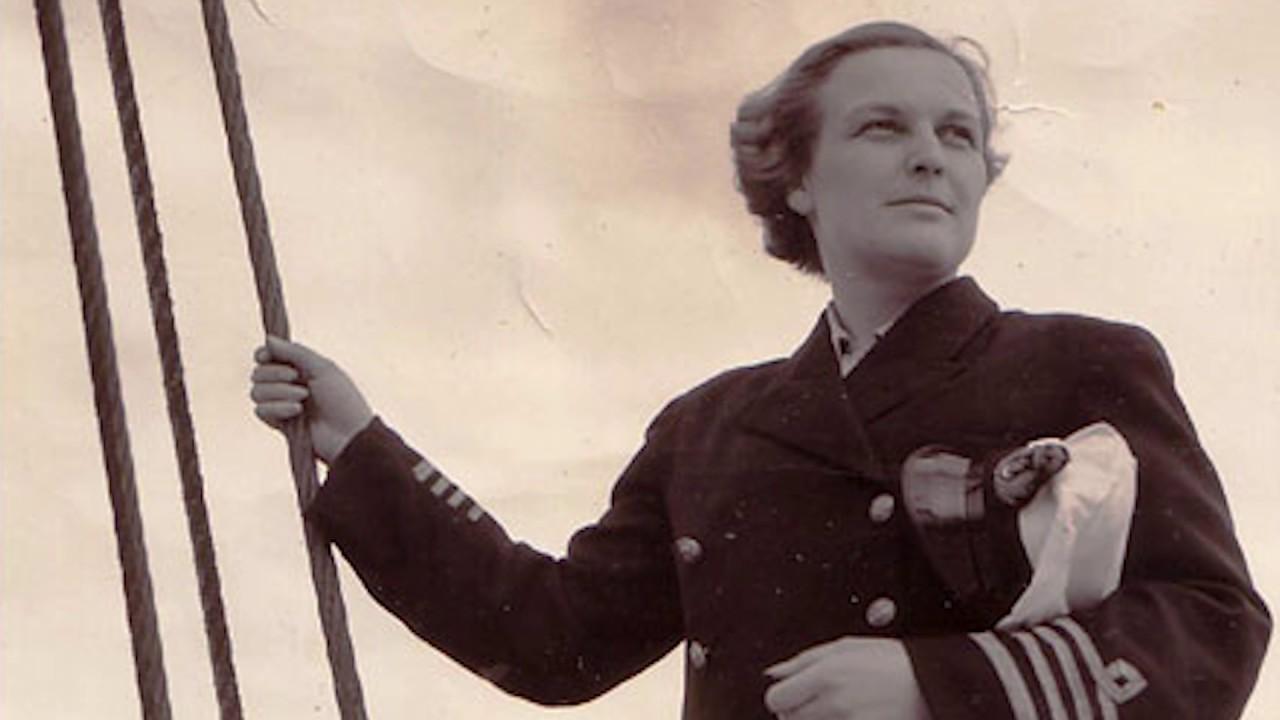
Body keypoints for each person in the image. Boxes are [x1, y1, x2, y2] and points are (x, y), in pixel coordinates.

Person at [250, 21, 1269, 720]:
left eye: (957, 134)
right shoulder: (708, 428)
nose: (930, 155)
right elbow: (555, 640)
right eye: (883, 126)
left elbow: (1211, 624)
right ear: (797, 176)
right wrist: (361, 447)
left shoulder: (1082, 362)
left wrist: (937, 682)